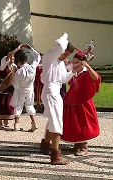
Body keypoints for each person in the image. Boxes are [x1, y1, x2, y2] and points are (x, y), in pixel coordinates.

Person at [39, 32, 75, 165]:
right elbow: (59, 45)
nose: (65, 56)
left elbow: (63, 79)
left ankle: (45, 144)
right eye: (65, 53)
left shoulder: (60, 63)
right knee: (56, 122)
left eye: (67, 55)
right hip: (50, 92)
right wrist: (66, 35)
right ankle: (55, 156)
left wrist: (73, 71)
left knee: (52, 119)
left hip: (55, 92)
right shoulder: (50, 56)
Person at [62, 49, 100, 156]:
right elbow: (66, 61)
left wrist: (87, 66)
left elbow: (96, 78)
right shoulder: (73, 71)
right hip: (71, 99)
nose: (73, 64)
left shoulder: (86, 72)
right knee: (73, 123)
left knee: (82, 123)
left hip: (83, 102)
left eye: (76, 62)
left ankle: (83, 146)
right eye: (73, 62)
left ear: (82, 63)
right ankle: (77, 144)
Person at [10, 44, 41, 131]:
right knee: (30, 105)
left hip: (21, 90)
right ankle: (33, 123)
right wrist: (31, 49)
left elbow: (15, 84)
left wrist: (16, 87)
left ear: (19, 61)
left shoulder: (19, 71)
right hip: (30, 90)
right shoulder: (32, 67)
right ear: (26, 60)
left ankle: (16, 125)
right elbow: (37, 57)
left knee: (18, 106)